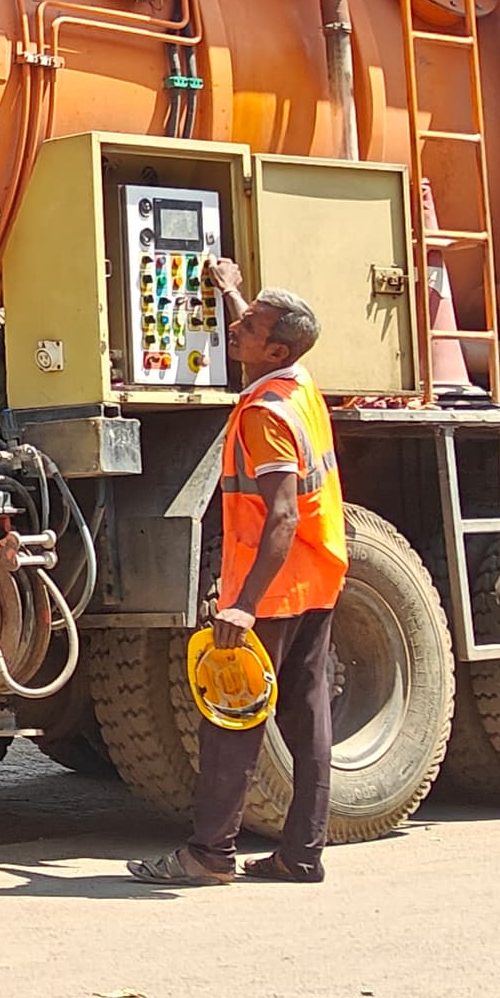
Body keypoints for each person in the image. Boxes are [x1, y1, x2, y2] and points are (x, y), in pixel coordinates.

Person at [131, 262, 349, 889]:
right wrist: (229, 285)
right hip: (318, 573)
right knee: (307, 716)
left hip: (273, 587)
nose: (235, 324)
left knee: (232, 715)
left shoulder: (264, 415)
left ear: (274, 349)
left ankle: (208, 854)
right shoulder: (297, 384)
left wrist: (244, 606)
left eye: (248, 325)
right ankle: (302, 854)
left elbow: (280, 515)